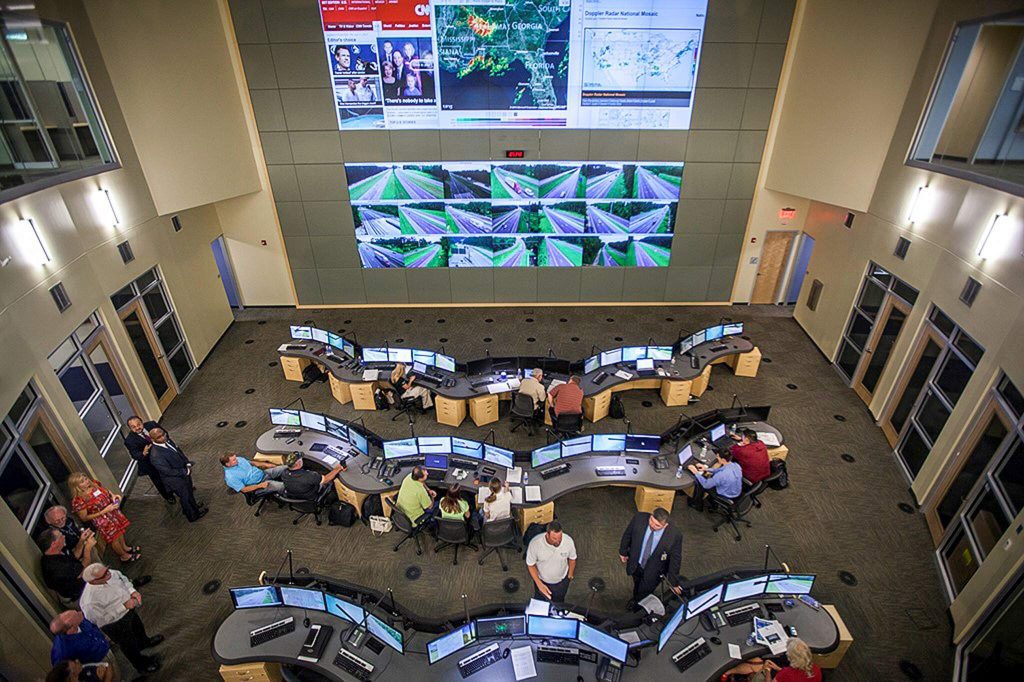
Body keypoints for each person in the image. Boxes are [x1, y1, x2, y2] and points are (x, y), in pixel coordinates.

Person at [79, 563, 162, 674]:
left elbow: (123, 579)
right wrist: (123, 607)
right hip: (114, 623)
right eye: (104, 574)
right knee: (128, 644)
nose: (109, 573)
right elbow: (100, 620)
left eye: (107, 570)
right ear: (93, 581)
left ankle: (144, 643)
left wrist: (132, 591)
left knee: (137, 626)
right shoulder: (89, 601)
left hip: (129, 609)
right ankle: (142, 665)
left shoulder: (110, 573)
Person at [618, 507, 683, 605]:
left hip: (654, 571)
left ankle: (639, 606)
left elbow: (675, 558)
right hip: (636, 563)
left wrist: (673, 583)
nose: (652, 525)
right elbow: (628, 534)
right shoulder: (639, 518)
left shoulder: (675, 535)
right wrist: (623, 551)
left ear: (665, 525)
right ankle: (636, 599)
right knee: (637, 584)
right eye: (651, 520)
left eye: (657, 525)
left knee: (645, 592)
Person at [68, 473, 137, 562]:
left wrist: (113, 496)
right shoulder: (78, 500)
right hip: (103, 520)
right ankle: (124, 556)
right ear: (76, 486)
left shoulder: (94, 484)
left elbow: (107, 492)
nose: (86, 481)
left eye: (85, 478)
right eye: (82, 481)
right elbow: (84, 518)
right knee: (114, 538)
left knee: (120, 531)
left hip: (112, 512)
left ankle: (125, 547)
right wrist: (104, 511)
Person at [147, 427, 206, 522]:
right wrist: (185, 471)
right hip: (175, 480)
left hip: (183, 472)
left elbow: (178, 452)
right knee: (185, 497)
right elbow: (167, 471)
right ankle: (193, 515)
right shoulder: (156, 455)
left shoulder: (167, 441)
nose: (163, 438)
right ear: (153, 439)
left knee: (189, 493)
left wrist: (187, 462)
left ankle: (193, 506)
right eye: (159, 437)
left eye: (163, 434)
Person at [122, 417, 174, 502]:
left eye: (138, 424)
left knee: (174, 471)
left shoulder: (152, 425)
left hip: (166, 455)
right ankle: (168, 496)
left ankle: (183, 487)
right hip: (150, 463)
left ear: (142, 422)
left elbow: (165, 433)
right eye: (133, 427)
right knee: (159, 481)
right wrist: (143, 453)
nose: (137, 428)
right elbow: (135, 455)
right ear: (130, 429)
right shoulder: (129, 441)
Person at [723, 638, 821, 682]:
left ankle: (727, 672)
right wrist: (777, 668)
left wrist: (768, 671)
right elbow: (794, 676)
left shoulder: (786, 674)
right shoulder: (816, 669)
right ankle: (729, 673)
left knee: (756, 663)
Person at [526, 521, 577, 603]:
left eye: (560, 538)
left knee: (559, 602)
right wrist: (539, 584)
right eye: (554, 538)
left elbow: (572, 558)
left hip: (561, 581)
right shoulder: (535, 544)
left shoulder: (568, 541)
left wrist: (569, 576)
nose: (558, 541)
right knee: (541, 603)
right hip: (542, 580)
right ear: (547, 535)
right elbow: (530, 565)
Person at [38, 527, 95, 601]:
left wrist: (82, 540)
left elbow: (75, 556)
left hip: (79, 575)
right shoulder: (56, 567)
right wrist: (88, 548)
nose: (64, 536)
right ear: (54, 544)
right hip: (79, 594)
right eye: (61, 536)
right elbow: (83, 571)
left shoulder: (55, 551)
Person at [221, 453, 288, 495]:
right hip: (258, 485)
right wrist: (259, 486)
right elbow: (244, 489)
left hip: (263, 473)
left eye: (235, 458)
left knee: (286, 467)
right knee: (282, 486)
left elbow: (252, 463)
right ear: (228, 464)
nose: (237, 460)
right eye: (234, 460)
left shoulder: (238, 460)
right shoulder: (231, 477)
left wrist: (267, 465)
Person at [45, 659, 113, 682]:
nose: (77, 661)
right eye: (74, 672)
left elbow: (108, 666)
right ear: (70, 679)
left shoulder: (83, 670)